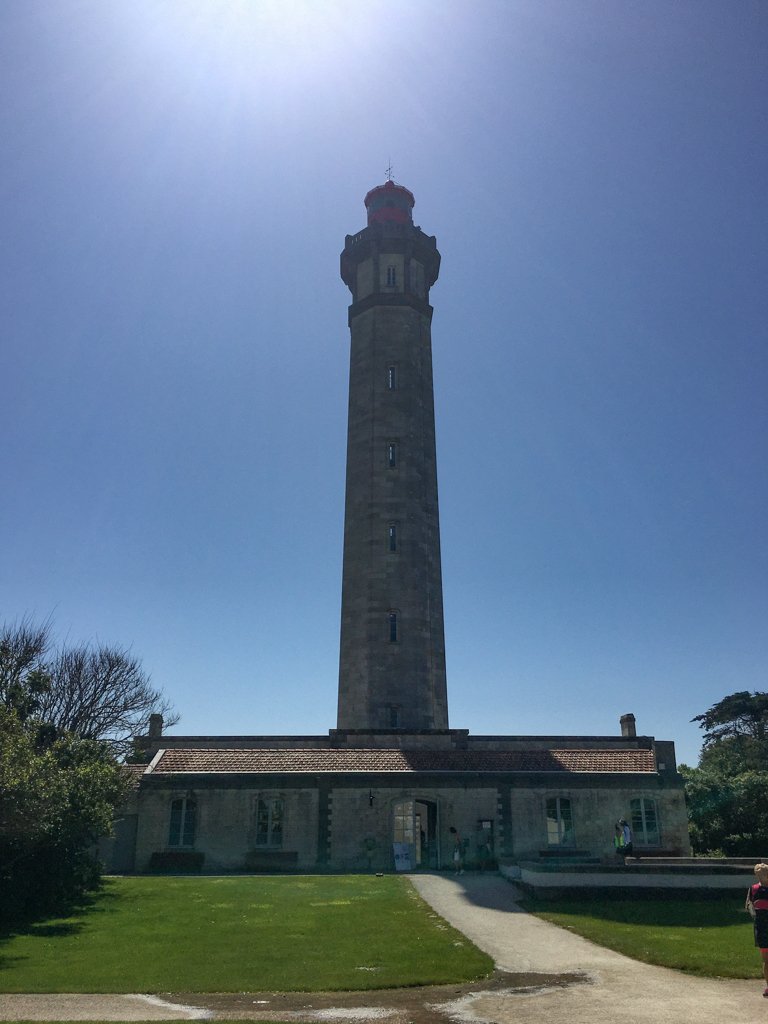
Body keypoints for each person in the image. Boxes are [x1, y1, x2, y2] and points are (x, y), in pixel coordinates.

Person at [745, 862, 768, 998]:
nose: (763, 876)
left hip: (762, 926)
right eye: (760, 874)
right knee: (766, 960)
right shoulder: (753, 889)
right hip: (762, 928)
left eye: (765, 873)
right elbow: (749, 906)